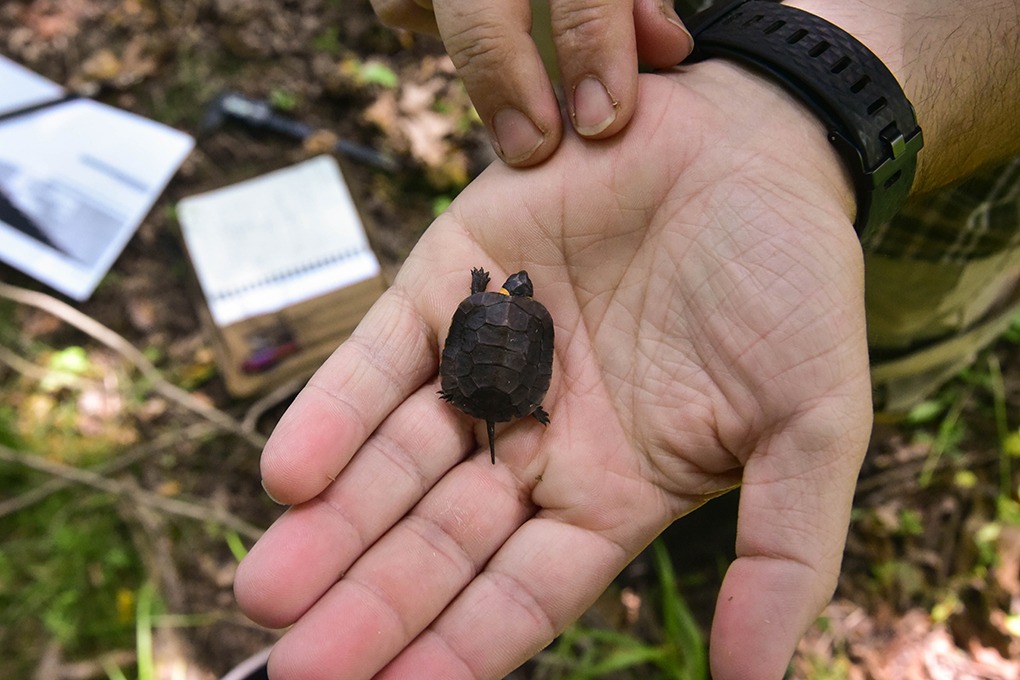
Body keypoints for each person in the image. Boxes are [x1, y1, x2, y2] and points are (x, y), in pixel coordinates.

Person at [233, 0, 1020, 678]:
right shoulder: (522, 308)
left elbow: (483, 329)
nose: (507, 291)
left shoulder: (490, 306)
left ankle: (681, 536)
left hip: (933, 229)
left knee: (745, 430)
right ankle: (656, 526)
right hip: (625, 76)